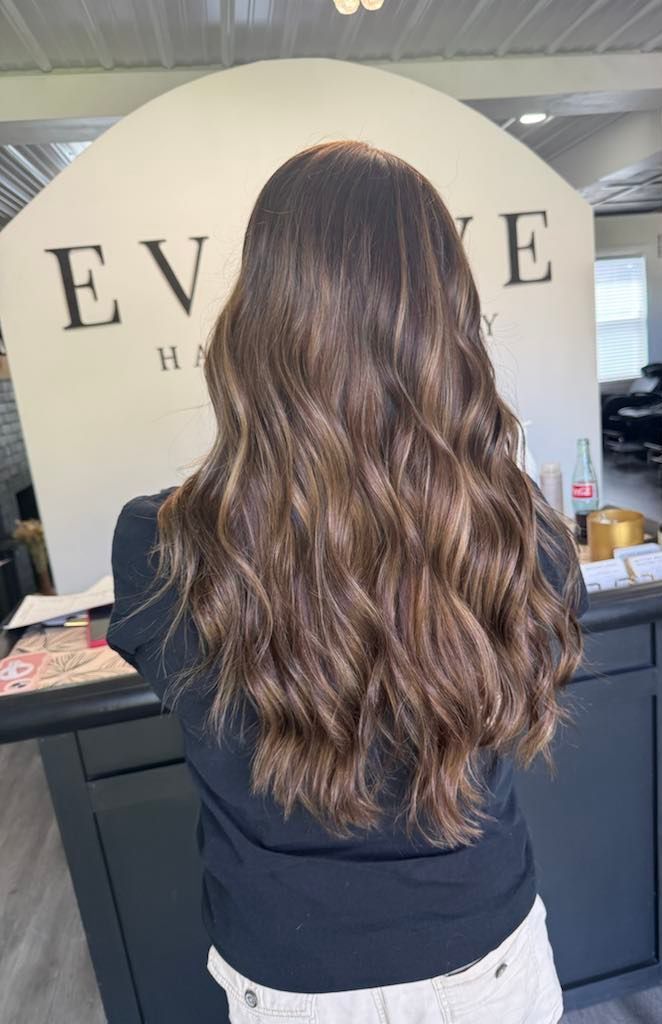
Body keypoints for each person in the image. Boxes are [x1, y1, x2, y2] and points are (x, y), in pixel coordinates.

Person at [108, 141, 588, 1024]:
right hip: (490, 959)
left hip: (294, 979)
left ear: (257, 319)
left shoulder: (161, 545)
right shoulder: (516, 531)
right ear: (448, 320)